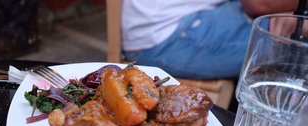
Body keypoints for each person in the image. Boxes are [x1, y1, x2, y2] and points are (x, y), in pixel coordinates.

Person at [121, 0, 306, 79]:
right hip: (165, 34)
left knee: (292, 24)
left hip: (155, 21)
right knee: (296, 35)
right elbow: (259, 3)